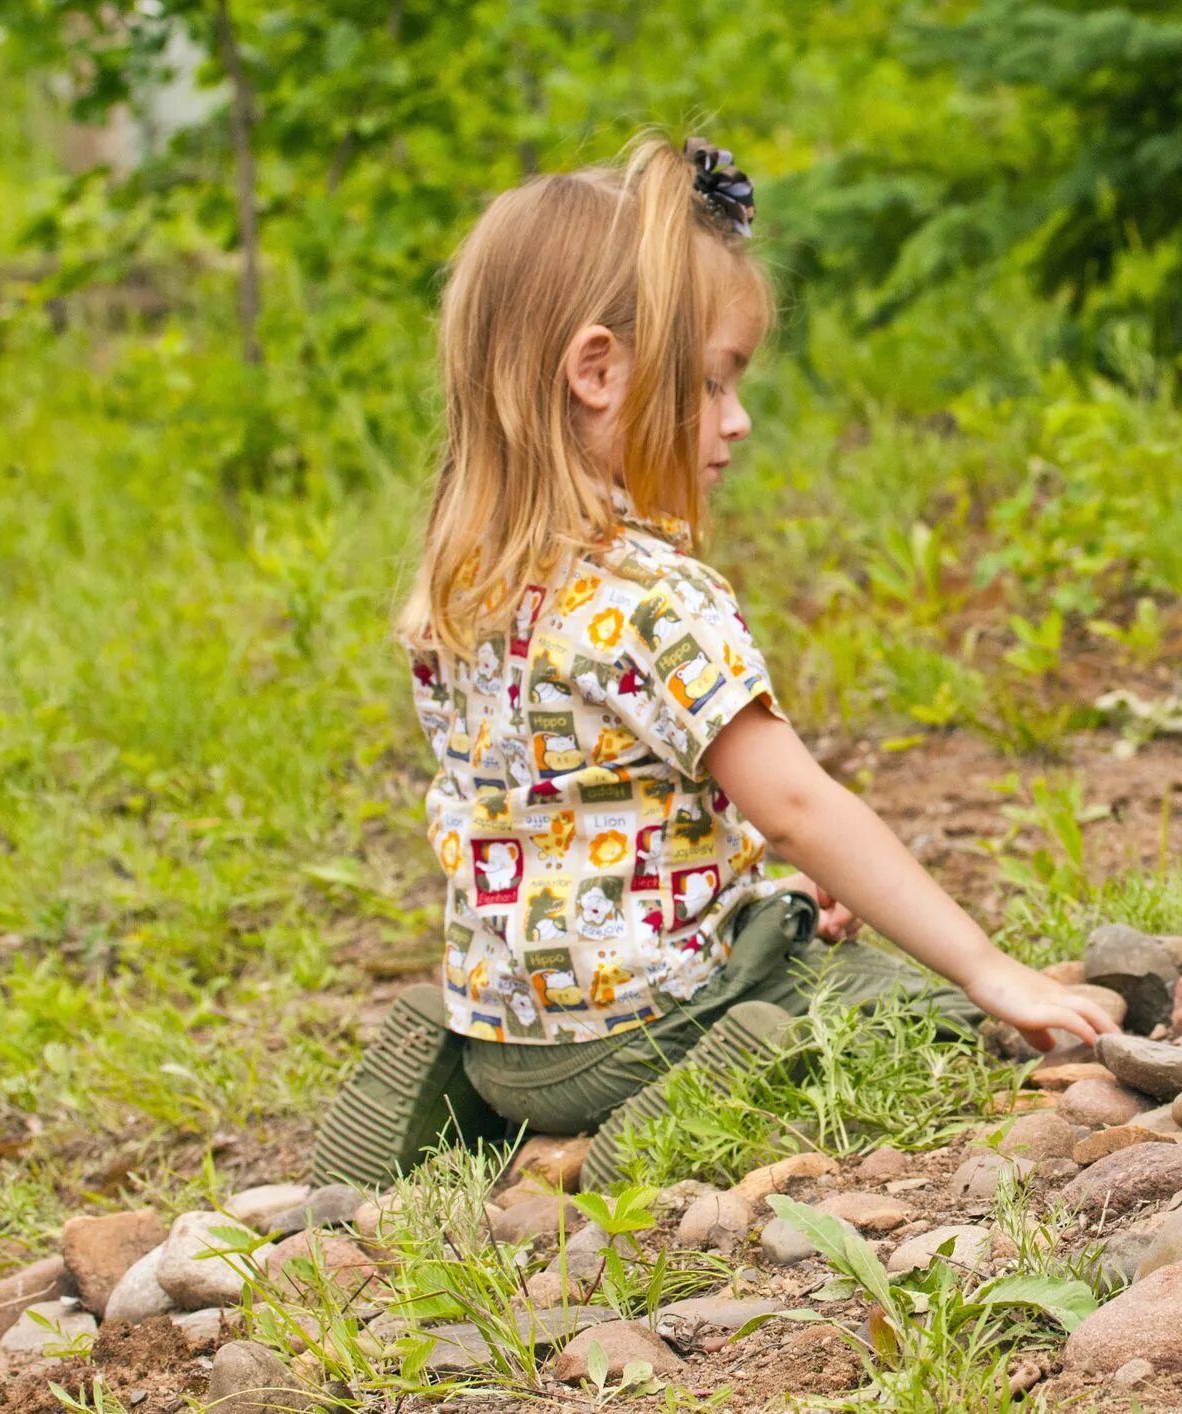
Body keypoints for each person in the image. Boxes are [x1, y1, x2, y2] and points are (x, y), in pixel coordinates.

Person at [312, 134, 1118, 1194]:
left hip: (511, 1031)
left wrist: (758, 888)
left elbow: (592, 816)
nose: (737, 422)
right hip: (647, 1025)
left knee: (765, 928)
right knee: (902, 1005)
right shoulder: (656, 595)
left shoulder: (460, 592)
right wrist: (988, 968)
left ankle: (458, 1085)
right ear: (597, 371)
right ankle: (689, 1094)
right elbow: (795, 806)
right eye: (712, 384)